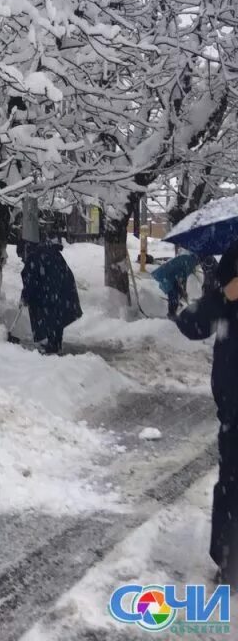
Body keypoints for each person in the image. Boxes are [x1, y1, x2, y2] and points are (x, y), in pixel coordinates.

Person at [174, 240, 238, 587]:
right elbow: (191, 324)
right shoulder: (233, 263)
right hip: (236, 409)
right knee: (233, 486)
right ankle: (230, 562)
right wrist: (224, 295)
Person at [18, 240, 83, 354]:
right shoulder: (43, 251)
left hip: (54, 288)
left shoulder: (34, 257)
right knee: (58, 315)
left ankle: (53, 345)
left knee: (50, 313)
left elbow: (31, 282)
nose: (22, 260)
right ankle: (55, 343)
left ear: (24, 252)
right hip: (63, 286)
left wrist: (25, 297)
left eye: (21, 256)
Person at [152, 252, 198, 319]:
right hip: (167, 276)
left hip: (167, 275)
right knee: (173, 296)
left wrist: (182, 290)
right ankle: (171, 315)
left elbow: (180, 276)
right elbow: (181, 275)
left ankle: (172, 314)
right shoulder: (190, 262)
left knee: (174, 296)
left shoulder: (187, 259)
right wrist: (182, 290)